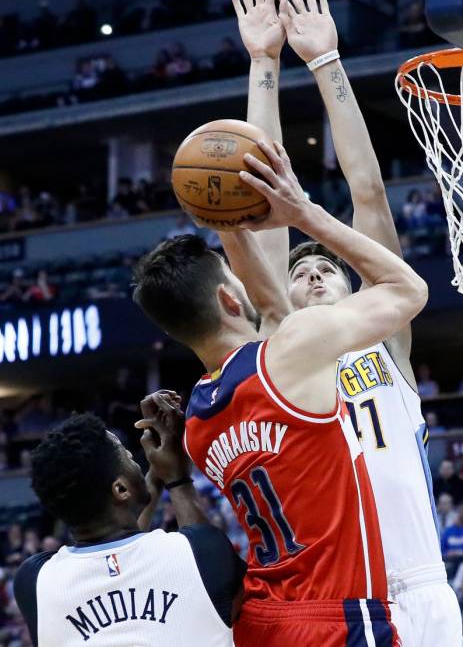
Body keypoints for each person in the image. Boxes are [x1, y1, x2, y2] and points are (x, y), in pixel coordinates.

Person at [222, 0, 462, 646]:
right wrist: (263, 64)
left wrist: (327, 63)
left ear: (357, 289)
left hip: (421, 591)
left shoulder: (385, 345)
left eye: (329, 266)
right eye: (301, 274)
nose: (318, 272)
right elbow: (262, 213)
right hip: (338, 599)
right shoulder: (281, 350)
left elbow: (369, 195)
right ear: (279, 301)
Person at [132, 152, 419, 642]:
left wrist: (228, 221)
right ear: (228, 298)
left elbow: (266, 304)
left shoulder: (198, 422)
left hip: (265, 620)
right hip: (337, 614)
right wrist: (303, 213)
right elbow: (406, 288)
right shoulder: (294, 351)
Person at [14, 400, 244, 646]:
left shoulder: (35, 582)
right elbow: (220, 593)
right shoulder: (203, 550)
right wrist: (177, 478)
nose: (136, 459)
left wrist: (153, 482)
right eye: (126, 454)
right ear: (121, 489)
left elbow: (121, 559)